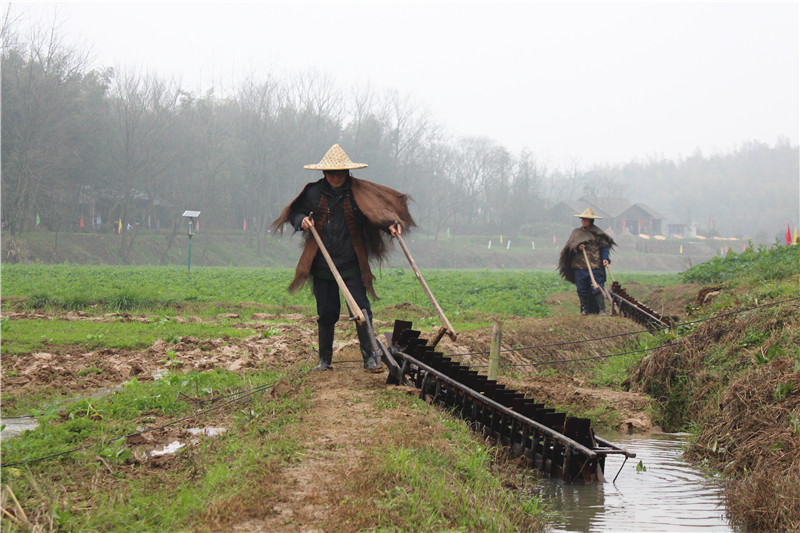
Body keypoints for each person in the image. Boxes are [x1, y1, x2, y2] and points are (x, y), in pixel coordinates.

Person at [272, 144, 414, 372]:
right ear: (324, 173)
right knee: (327, 312)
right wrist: (302, 222)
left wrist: (391, 226)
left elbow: (377, 213)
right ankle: (324, 360)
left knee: (361, 310)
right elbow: (295, 212)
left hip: (351, 262)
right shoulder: (313, 193)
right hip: (322, 262)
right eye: (331, 173)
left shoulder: (359, 192)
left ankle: (370, 358)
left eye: (340, 173)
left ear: (347, 172)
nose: (336, 177)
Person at [558, 208, 616, 315]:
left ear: (591, 221)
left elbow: (604, 247)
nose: (584, 221)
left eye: (586, 220)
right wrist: (578, 247)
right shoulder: (577, 233)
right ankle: (584, 310)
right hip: (580, 267)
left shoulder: (598, 234)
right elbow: (570, 247)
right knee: (582, 289)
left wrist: (605, 258)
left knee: (597, 288)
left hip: (595, 266)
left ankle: (601, 310)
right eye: (583, 219)